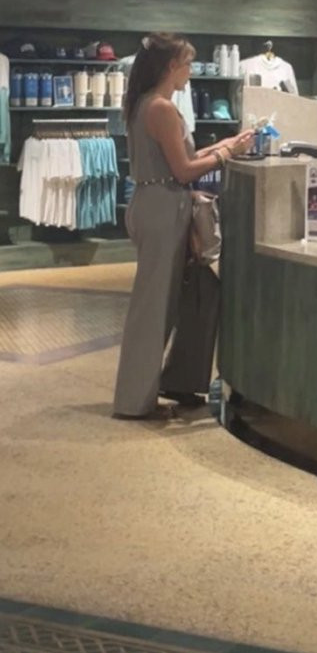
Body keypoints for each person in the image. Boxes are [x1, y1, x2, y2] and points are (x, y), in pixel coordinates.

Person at [113, 33, 253, 420]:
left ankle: (139, 394)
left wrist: (225, 145)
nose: (190, 72)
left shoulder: (146, 103)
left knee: (158, 304)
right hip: (162, 207)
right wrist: (225, 154)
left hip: (154, 203)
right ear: (171, 67)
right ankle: (133, 400)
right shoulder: (160, 108)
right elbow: (184, 170)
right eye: (188, 64)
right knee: (153, 308)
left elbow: (182, 158)